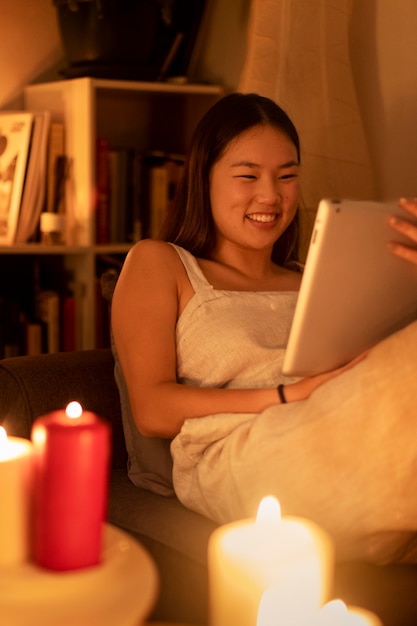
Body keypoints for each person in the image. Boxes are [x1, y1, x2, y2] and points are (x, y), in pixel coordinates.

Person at [111, 92, 417, 564]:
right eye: (247, 176)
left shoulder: (316, 277)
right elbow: (152, 408)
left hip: (346, 421)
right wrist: (286, 395)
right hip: (243, 452)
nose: (271, 196)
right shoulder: (162, 263)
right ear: (204, 178)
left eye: (287, 176)